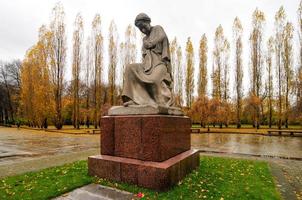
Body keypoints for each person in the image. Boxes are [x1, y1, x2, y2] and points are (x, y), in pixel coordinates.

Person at [122, 13, 173, 107]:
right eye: (140, 28)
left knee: (153, 81)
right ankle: (133, 99)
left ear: (148, 21)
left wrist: (150, 43)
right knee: (130, 68)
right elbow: (144, 55)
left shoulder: (157, 29)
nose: (142, 30)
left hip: (159, 64)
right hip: (147, 66)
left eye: (143, 26)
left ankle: (160, 102)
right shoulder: (144, 39)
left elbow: (162, 37)